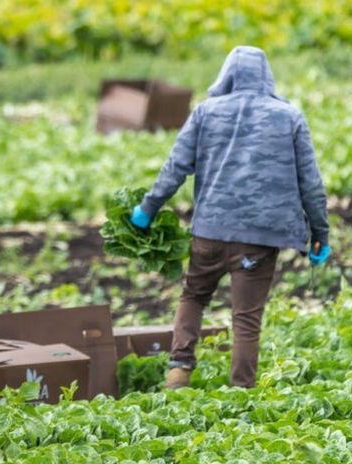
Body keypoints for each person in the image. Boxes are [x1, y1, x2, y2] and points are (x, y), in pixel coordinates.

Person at [130, 46, 330, 389]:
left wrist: (147, 210)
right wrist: (320, 233)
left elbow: (176, 167)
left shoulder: (206, 113)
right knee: (246, 319)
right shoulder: (289, 117)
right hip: (260, 239)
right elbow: (310, 183)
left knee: (193, 296)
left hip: (210, 232)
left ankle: (179, 369)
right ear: (267, 77)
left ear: (226, 76)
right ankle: (240, 392)